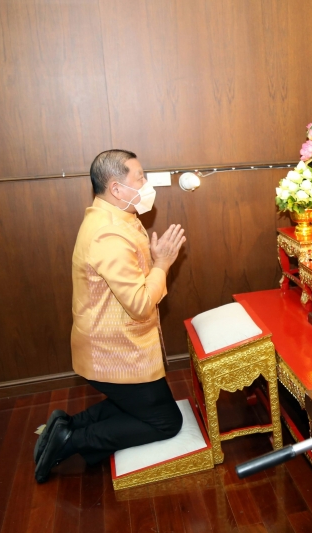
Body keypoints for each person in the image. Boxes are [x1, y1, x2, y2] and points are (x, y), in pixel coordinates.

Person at [34, 149, 187, 483]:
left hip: (125, 344)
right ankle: (71, 441)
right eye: (140, 177)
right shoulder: (109, 233)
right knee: (166, 422)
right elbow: (140, 304)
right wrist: (162, 264)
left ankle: (69, 424)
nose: (147, 184)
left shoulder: (116, 216)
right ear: (117, 188)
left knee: (145, 405)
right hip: (114, 353)